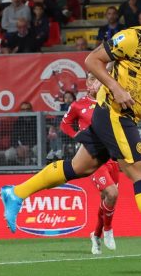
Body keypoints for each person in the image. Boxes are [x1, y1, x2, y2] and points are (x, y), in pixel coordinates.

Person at [0, 0, 141, 261]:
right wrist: (116, 88)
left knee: (77, 167)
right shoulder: (134, 37)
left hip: (124, 116)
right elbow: (91, 60)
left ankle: (15, 193)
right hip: (114, 114)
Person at [59, 73, 119, 254]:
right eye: (94, 80)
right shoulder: (79, 105)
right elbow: (65, 124)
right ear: (88, 83)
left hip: (112, 158)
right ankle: (108, 229)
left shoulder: (110, 103)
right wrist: (76, 136)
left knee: (107, 201)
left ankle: (96, 234)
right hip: (93, 158)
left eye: (100, 81)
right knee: (112, 193)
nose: (97, 84)